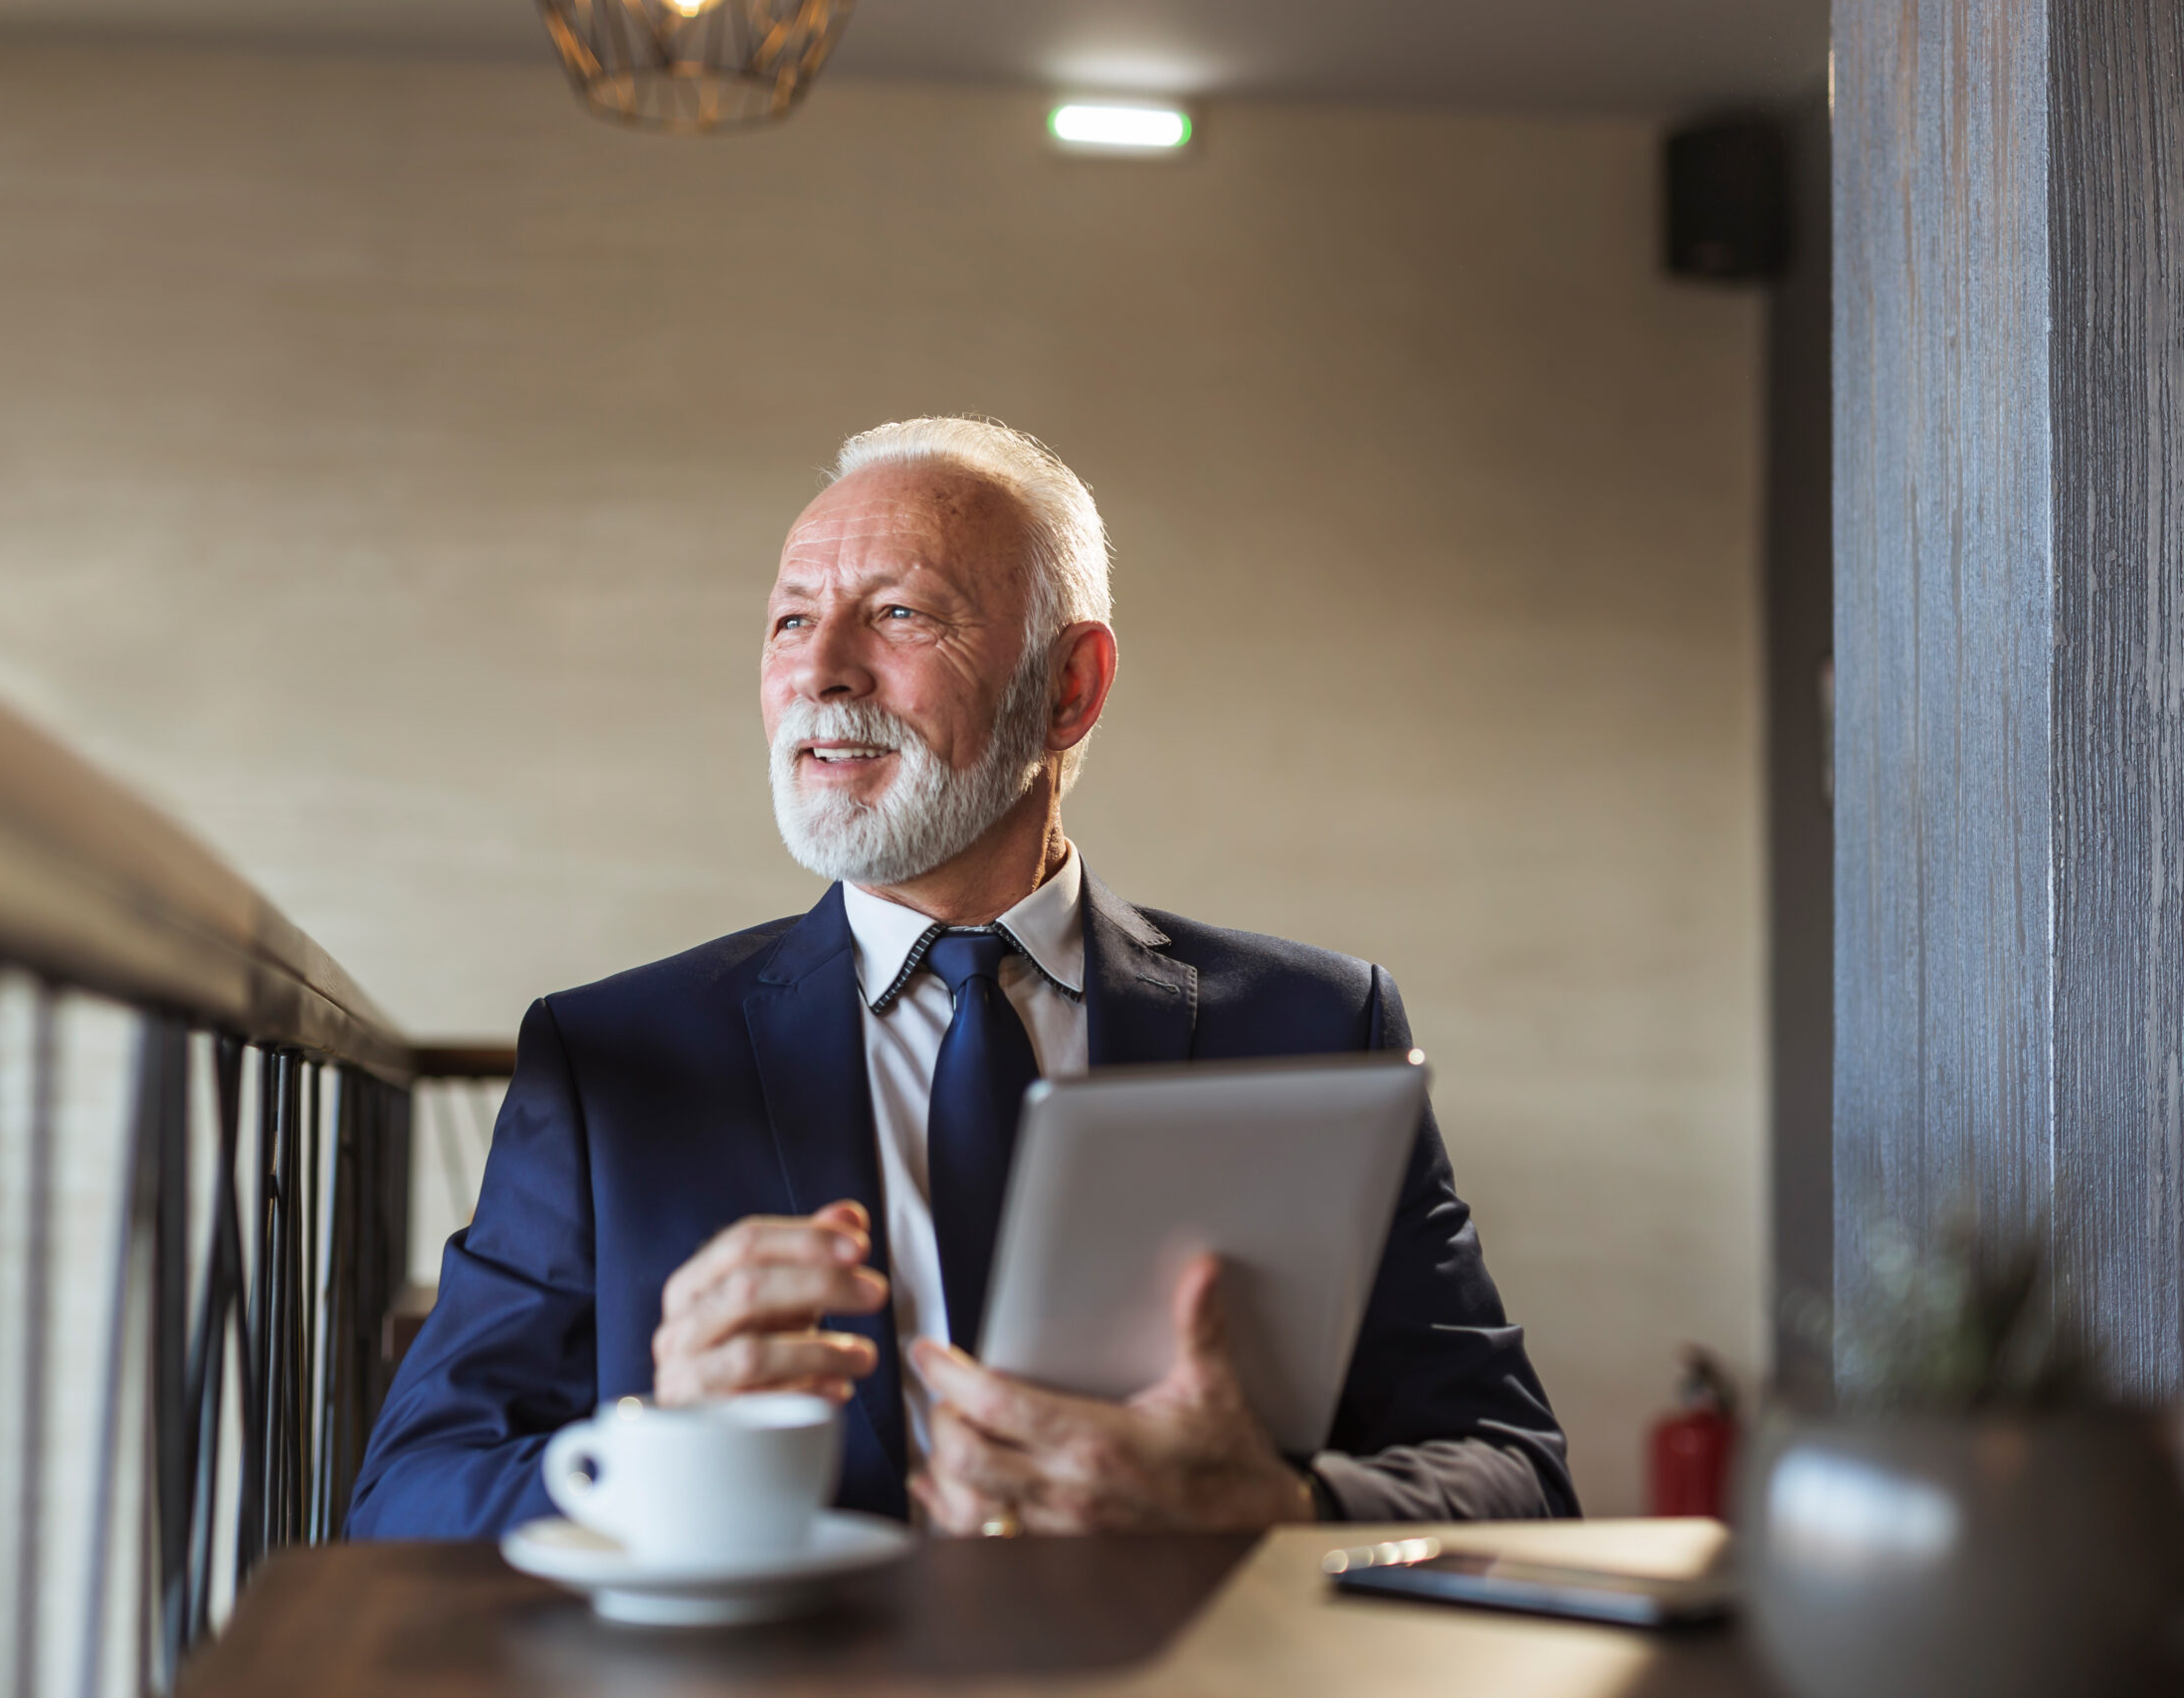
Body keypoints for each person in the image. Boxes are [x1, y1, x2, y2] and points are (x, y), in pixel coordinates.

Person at [348, 418, 1576, 1539]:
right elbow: (407, 1499)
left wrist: (1281, 1504)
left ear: (1069, 688)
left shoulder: (1320, 1025)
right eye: (789, 620)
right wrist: (656, 1443)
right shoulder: (611, 1057)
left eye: (899, 615)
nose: (821, 669)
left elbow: (1514, 1470)